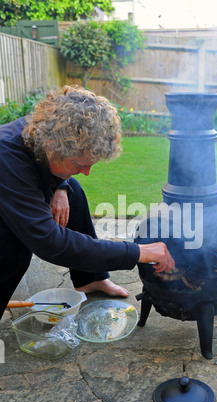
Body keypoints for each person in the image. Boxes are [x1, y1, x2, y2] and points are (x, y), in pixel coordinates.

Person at [0, 85, 175, 319]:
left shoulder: (42, 130)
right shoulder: (7, 158)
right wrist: (136, 252)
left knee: (72, 189)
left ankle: (90, 279)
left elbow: (56, 171)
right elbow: (51, 243)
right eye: (78, 164)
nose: (87, 171)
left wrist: (61, 186)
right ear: (52, 147)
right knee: (12, 251)